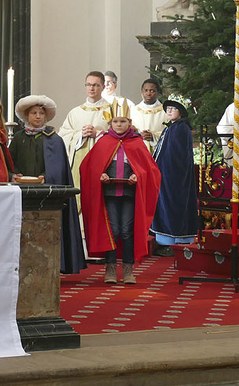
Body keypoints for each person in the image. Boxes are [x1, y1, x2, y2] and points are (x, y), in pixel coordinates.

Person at [80, 100, 161, 284]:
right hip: (109, 193)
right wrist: (100, 176)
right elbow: (89, 167)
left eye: (123, 122)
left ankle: (128, 269)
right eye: (116, 122)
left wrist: (137, 175)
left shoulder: (137, 142)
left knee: (126, 231)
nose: (119, 125)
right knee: (113, 230)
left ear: (129, 123)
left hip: (129, 194)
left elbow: (151, 170)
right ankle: (110, 269)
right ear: (110, 124)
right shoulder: (104, 142)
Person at [9, 95, 86, 274]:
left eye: (41, 113)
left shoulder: (54, 139)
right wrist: (13, 175)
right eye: (34, 113)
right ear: (26, 116)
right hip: (24, 191)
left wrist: (46, 176)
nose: (37, 116)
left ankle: (53, 263)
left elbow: (58, 166)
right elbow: (9, 162)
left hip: (46, 192)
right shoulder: (19, 138)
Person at [151, 94, 199, 256]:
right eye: (168, 109)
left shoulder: (180, 129)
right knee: (166, 206)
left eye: (174, 108)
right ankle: (166, 241)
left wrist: (164, 170)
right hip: (165, 175)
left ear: (181, 111)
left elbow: (176, 156)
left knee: (173, 206)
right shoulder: (171, 127)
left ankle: (173, 241)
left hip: (174, 177)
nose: (170, 111)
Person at [59, 71, 112, 206]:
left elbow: (120, 137)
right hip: (79, 160)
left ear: (103, 87)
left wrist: (98, 134)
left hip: (102, 161)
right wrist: (79, 134)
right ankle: (80, 227)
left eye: (95, 85)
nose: (91, 88)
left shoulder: (112, 111)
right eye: (88, 85)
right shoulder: (75, 112)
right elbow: (62, 135)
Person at [130, 78, 166, 152]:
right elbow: (129, 131)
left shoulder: (165, 111)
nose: (148, 93)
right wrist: (140, 135)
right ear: (142, 92)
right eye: (145, 90)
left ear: (158, 92)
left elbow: (168, 132)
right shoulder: (134, 110)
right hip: (139, 150)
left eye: (152, 91)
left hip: (159, 151)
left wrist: (153, 136)